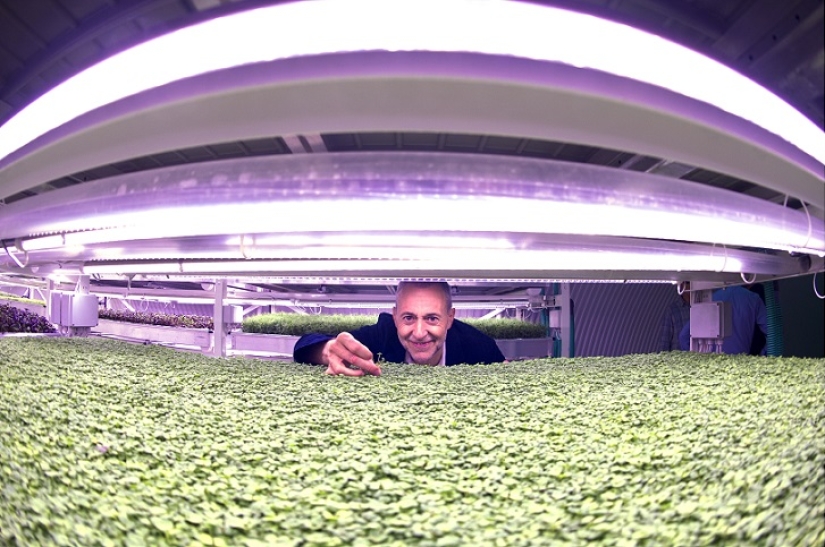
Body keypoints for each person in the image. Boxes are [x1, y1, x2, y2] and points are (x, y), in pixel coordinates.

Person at [292, 281, 506, 376]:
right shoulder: (383, 335)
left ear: (450, 318)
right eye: (408, 318)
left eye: (432, 318)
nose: (420, 332)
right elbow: (304, 345)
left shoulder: (478, 347)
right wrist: (328, 349)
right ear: (395, 317)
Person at [678, 284, 767, 354]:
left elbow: (683, 336)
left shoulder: (709, 298)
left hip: (713, 364)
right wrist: (762, 356)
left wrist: (697, 360)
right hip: (741, 366)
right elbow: (773, 333)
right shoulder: (753, 299)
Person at [657, 281, 690, 351]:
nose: (691, 286)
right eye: (688, 283)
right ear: (681, 285)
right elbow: (664, 341)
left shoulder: (704, 308)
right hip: (679, 359)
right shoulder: (673, 310)